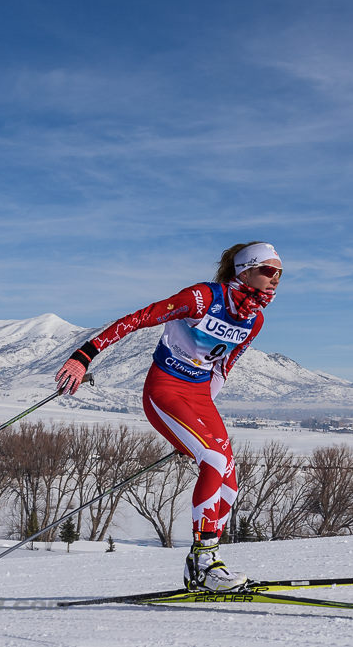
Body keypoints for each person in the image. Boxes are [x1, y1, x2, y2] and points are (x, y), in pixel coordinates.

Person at [54, 241, 282, 589]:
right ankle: (206, 563)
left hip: (200, 397)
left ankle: (200, 563)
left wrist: (196, 424)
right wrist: (84, 355)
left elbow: (224, 366)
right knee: (213, 461)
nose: (276, 278)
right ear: (245, 270)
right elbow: (139, 318)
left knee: (230, 485)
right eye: (268, 270)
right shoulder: (203, 298)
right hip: (166, 389)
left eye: (280, 273)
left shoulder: (255, 319)